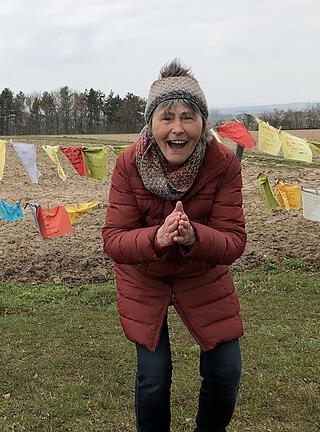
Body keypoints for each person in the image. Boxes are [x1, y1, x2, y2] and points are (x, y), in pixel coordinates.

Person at [102, 59, 246, 432]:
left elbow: (232, 241)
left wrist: (194, 235)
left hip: (201, 271)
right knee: (154, 377)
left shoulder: (224, 164)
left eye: (188, 116)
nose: (177, 128)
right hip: (144, 275)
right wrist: (158, 238)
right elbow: (115, 241)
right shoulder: (127, 165)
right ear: (151, 124)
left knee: (225, 371)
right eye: (167, 117)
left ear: (204, 122)